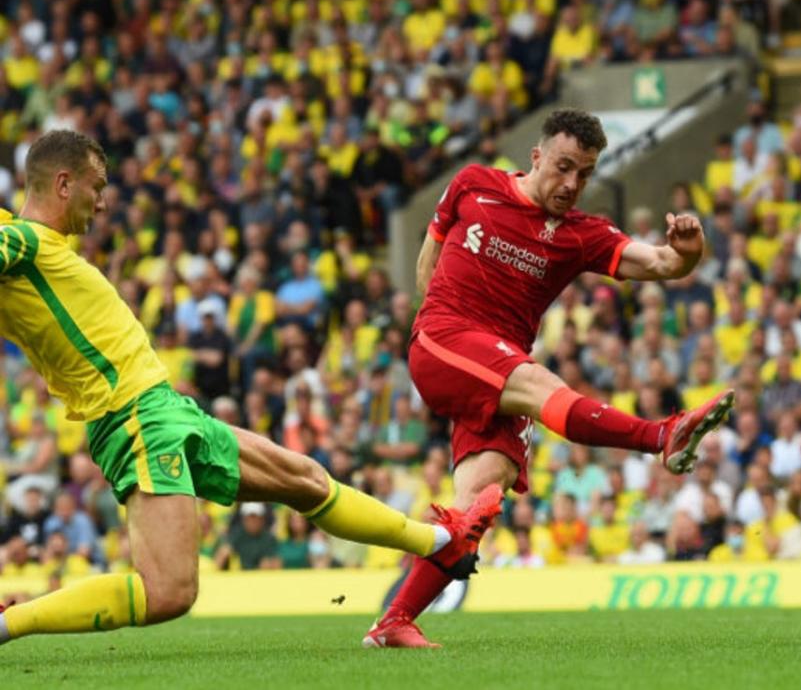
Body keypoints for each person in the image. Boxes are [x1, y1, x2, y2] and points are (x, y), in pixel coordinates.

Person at [0, 130, 504, 647]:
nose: (103, 201)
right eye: (95, 186)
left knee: (305, 479)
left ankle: (441, 540)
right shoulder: (26, 240)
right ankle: (7, 624)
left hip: (164, 409)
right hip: (135, 418)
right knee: (167, 593)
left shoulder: (36, 247)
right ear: (63, 184)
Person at [363, 109, 734, 648]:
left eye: (584, 174)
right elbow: (431, 255)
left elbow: (659, 263)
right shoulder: (474, 184)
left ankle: (393, 621)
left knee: (475, 509)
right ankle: (661, 435)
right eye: (563, 167)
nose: (571, 184)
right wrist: (434, 320)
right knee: (542, 385)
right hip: (444, 338)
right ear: (536, 157)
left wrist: (687, 254)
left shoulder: (581, 234)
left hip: (496, 369)